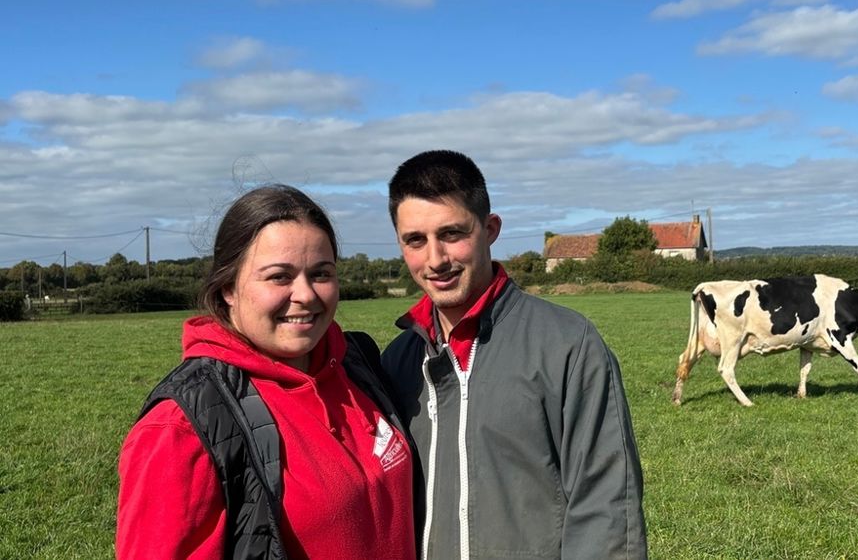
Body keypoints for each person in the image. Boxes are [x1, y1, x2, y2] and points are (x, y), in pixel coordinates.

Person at [117, 184, 416, 560]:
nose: (306, 294)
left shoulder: (357, 364)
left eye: (321, 274)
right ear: (228, 288)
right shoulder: (181, 429)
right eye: (279, 277)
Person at [382, 150, 648, 560]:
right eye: (415, 240)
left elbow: (606, 507)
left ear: (490, 229)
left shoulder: (568, 344)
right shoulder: (397, 361)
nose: (435, 259)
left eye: (452, 234)